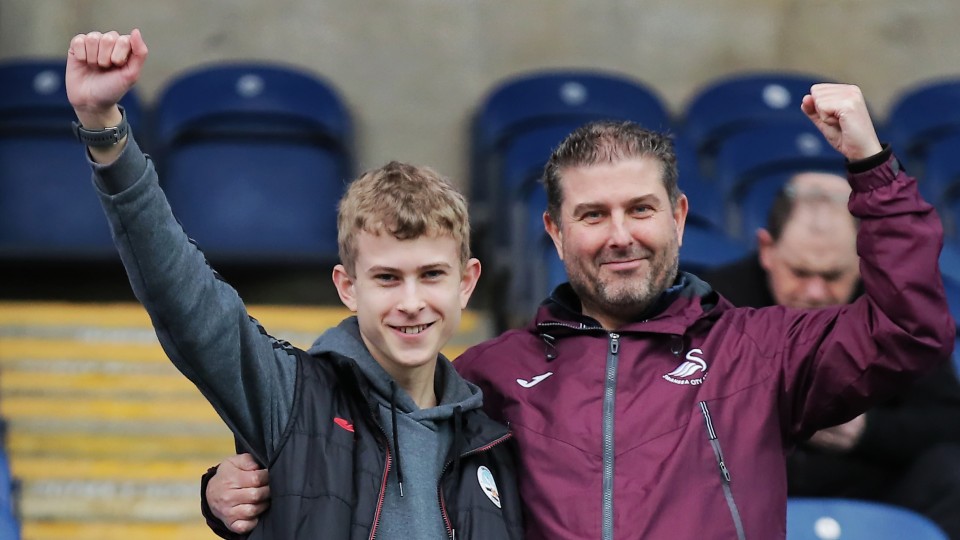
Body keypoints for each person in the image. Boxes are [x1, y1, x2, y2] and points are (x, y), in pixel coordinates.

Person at [204, 83, 955, 539]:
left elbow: (911, 331)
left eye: (641, 209)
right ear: (556, 233)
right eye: (593, 215)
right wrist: (226, 492)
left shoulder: (759, 351)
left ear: (681, 217)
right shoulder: (488, 376)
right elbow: (367, 465)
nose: (621, 234)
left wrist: (870, 165)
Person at [65, 29, 524, 540]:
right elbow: (184, 295)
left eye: (431, 275)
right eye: (387, 278)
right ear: (348, 287)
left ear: (467, 282)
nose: (411, 302)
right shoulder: (292, 396)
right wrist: (104, 129)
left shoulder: (495, 443)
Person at [702, 171, 960, 538]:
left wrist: (865, 431)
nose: (815, 293)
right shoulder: (718, 302)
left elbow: (948, 420)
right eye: (800, 272)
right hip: (752, 487)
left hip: (873, 483)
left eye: (833, 275)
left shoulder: (900, 309)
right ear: (767, 251)